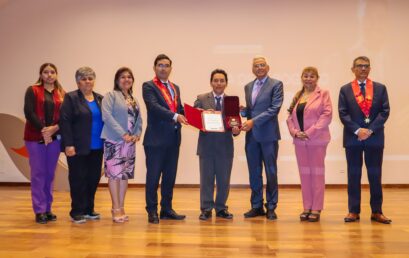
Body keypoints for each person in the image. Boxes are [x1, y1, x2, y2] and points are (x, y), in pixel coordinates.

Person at [339, 56, 391, 224]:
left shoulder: (380, 88)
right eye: (359, 66)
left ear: (370, 69)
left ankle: (377, 211)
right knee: (353, 175)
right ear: (352, 69)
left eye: (366, 66)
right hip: (353, 138)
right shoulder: (345, 89)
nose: (363, 69)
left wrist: (370, 130)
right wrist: (357, 130)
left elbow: (385, 111)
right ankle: (353, 211)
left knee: (375, 175)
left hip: (374, 137)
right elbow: (343, 113)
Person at [142, 54, 188, 224]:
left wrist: (197, 114)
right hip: (155, 140)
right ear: (154, 68)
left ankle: (166, 209)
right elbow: (154, 107)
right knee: (153, 177)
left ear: (170, 68)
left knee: (169, 177)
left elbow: (179, 108)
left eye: (166, 65)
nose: (163, 68)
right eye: (160, 65)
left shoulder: (175, 87)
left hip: (174, 139)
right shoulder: (148, 86)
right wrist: (176, 116)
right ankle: (152, 210)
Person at [286, 67, 332, 222]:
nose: (308, 79)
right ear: (301, 78)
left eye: (312, 76)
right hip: (300, 141)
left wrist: (310, 132)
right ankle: (307, 206)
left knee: (317, 174)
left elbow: (327, 115)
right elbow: (289, 117)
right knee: (305, 174)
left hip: (316, 140)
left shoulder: (323, 94)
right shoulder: (298, 95)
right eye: (305, 76)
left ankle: (316, 207)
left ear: (317, 78)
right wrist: (294, 132)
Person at [240, 56, 284, 220]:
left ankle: (271, 206)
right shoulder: (248, 86)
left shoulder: (276, 84)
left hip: (268, 135)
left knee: (271, 172)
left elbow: (274, 109)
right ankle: (256, 205)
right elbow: (253, 110)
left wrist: (252, 121)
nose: (259, 68)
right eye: (256, 66)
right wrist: (243, 111)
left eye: (262, 65)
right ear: (252, 69)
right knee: (254, 172)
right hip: (251, 137)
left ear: (268, 67)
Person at [194, 69, 240, 221]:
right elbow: (193, 119)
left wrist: (236, 129)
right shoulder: (201, 98)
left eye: (222, 81)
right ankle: (206, 209)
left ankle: (221, 208)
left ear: (226, 83)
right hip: (206, 146)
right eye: (216, 80)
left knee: (224, 180)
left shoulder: (232, 101)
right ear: (211, 82)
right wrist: (201, 114)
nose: (219, 83)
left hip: (225, 147)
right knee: (206, 180)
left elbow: (236, 126)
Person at [60, 67, 104, 224]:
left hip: (97, 146)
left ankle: (88, 209)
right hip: (77, 147)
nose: (88, 81)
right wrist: (68, 144)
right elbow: (65, 122)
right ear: (78, 82)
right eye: (84, 79)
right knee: (78, 179)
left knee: (92, 179)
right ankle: (77, 211)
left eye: (90, 78)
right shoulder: (71, 98)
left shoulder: (100, 98)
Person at [24, 63, 65, 224]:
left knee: (50, 174)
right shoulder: (33, 90)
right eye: (46, 72)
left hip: (54, 138)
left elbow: (65, 115)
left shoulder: (61, 93)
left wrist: (53, 130)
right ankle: (39, 210)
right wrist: (44, 130)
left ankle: (48, 208)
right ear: (41, 74)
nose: (49, 75)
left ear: (56, 74)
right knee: (38, 174)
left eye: (52, 72)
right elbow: (29, 112)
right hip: (35, 137)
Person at [101, 67, 143, 223]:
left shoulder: (134, 99)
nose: (126, 79)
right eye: (123, 77)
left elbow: (139, 120)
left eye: (129, 77)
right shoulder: (110, 96)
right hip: (114, 141)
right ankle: (115, 208)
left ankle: (122, 206)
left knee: (124, 176)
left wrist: (137, 134)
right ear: (117, 80)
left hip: (129, 143)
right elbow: (107, 117)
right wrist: (123, 134)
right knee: (114, 176)